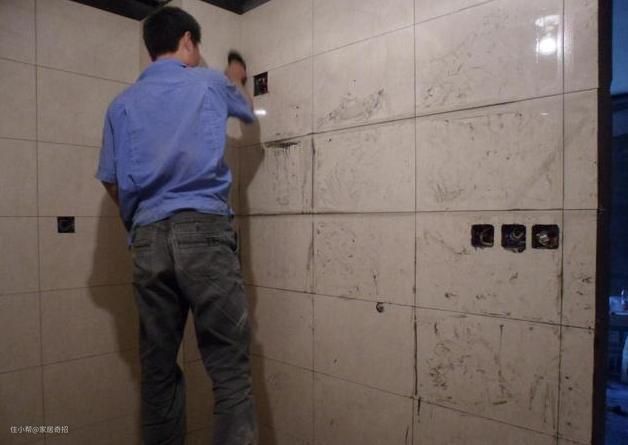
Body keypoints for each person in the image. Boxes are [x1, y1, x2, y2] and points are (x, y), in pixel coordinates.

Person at [95, 6, 257, 445]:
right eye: (197, 47)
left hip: (148, 238)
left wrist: (142, 218)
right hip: (204, 231)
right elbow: (247, 112)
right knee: (229, 371)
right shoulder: (208, 82)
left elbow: (110, 180)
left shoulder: (121, 104)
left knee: (159, 373)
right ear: (187, 41)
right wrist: (237, 77)